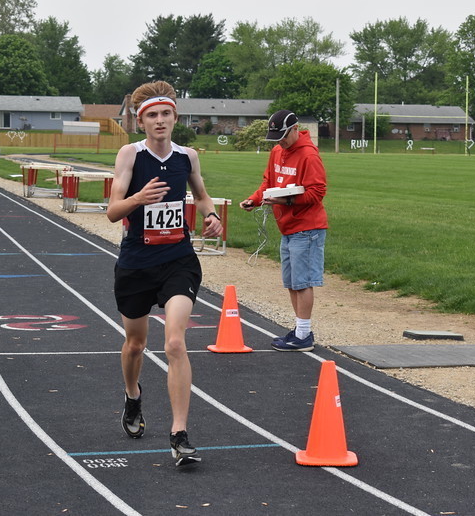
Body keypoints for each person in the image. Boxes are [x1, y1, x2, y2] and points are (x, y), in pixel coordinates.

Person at [106, 80, 222, 466]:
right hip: (137, 263)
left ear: (175, 118)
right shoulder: (129, 155)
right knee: (136, 344)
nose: (160, 120)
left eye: (166, 114)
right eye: (152, 115)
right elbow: (112, 210)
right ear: (142, 122)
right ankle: (133, 396)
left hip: (178, 260)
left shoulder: (187, 157)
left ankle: (179, 433)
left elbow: (202, 194)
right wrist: (139, 198)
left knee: (174, 343)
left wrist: (211, 214)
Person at [240, 110, 328, 352]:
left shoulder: (309, 155)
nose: (279, 141)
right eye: (275, 137)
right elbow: (269, 183)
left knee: (302, 282)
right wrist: (254, 200)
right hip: (287, 227)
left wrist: (286, 202)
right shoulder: (277, 151)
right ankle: (300, 330)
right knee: (291, 282)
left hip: (307, 227)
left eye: (282, 136)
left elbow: (317, 193)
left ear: (294, 129)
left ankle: (304, 334)